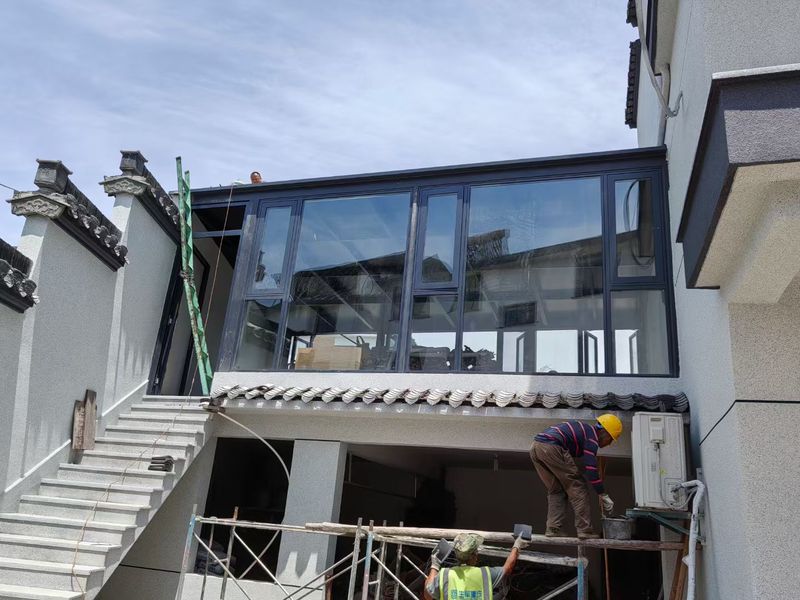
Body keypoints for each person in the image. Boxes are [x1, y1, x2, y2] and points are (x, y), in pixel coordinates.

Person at [530, 414, 623, 539]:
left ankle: (554, 529)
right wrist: (602, 494)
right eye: (611, 439)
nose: (609, 443)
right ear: (605, 432)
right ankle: (585, 530)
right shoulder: (592, 438)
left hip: (536, 447)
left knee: (556, 490)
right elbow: (591, 469)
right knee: (578, 487)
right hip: (552, 446)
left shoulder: (585, 431)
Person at [423, 532, 523, 600]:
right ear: (474, 556)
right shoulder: (485, 574)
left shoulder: (444, 575)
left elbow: (428, 595)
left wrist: (435, 565)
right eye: (476, 552)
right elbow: (508, 568)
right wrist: (517, 545)